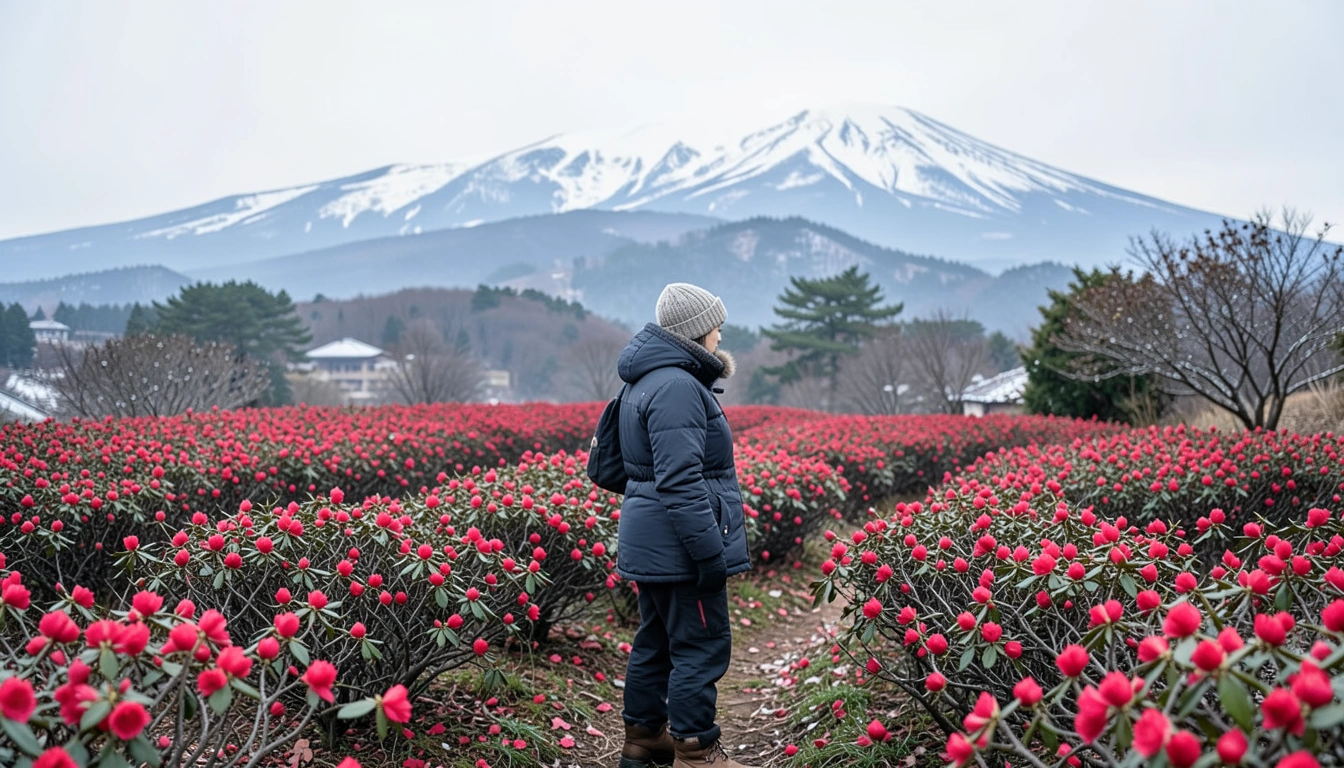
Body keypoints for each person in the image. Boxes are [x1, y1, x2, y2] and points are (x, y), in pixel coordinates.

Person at [614, 282, 755, 768]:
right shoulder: (677, 385)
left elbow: (623, 470)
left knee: (655, 640)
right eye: (715, 324)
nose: (720, 333)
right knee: (700, 644)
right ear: (696, 331)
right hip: (680, 548)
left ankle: (644, 738)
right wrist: (708, 552)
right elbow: (679, 480)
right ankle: (696, 749)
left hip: (654, 542)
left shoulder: (646, 378)